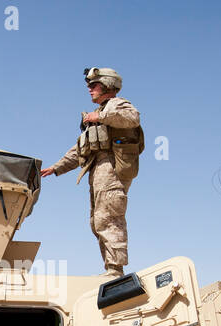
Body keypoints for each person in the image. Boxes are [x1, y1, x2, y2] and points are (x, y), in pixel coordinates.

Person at [41, 67, 144, 277]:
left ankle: (115, 269)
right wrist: (56, 168)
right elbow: (80, 149)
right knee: (98, 220)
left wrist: (100, 116)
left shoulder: (116, 104)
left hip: (112, 169)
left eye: (93, 85)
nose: (89, 90)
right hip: (98, 170)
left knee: (108, 217)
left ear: (107, 85)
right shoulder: (100, 115)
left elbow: (132, 118)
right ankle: (111, 268)